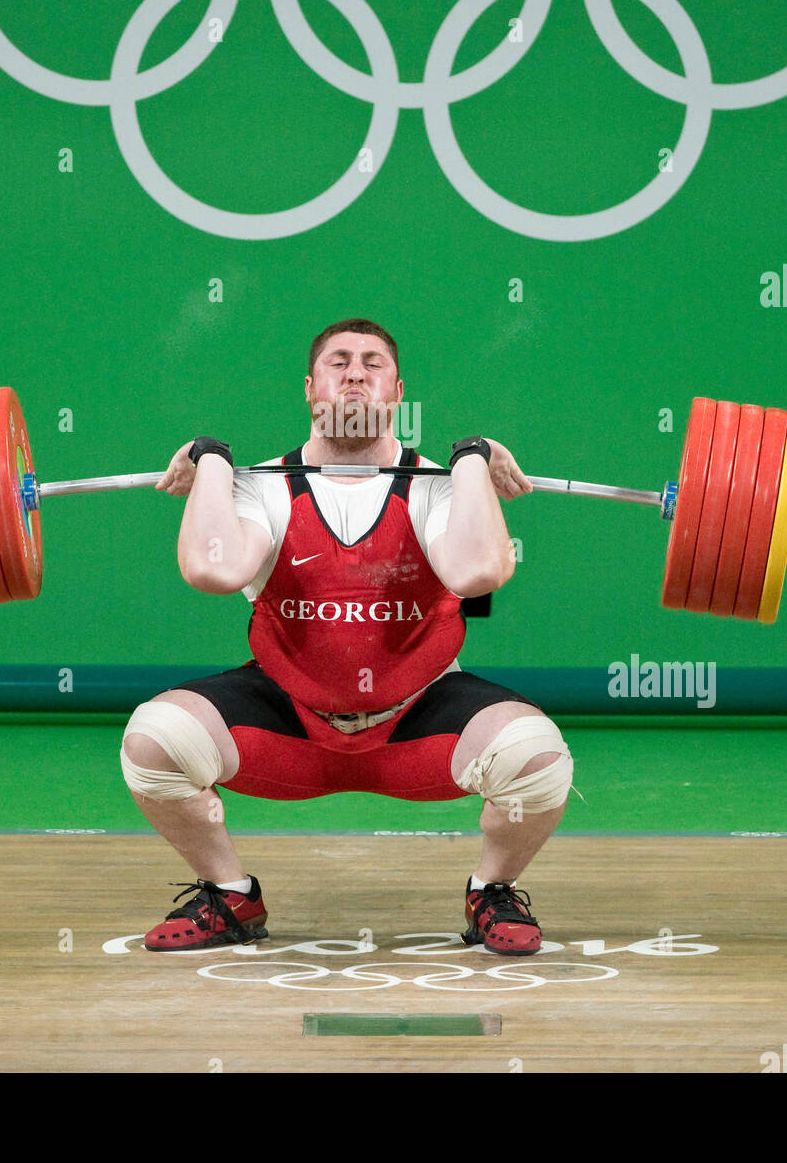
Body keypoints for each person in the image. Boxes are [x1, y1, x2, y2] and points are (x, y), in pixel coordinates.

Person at [120, 318, 573, 956]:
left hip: (418, 720)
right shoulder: (262, 486)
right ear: (311, 388)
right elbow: (212, 570)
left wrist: (470, 460)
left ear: (397, 390)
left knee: (537, 758)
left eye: (372, 363)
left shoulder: (439, 486)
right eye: (338, 362)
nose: (355, 372)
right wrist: (213, 460)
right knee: (154, 740)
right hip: (289, 723)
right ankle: (229, 895)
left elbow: (479, 571)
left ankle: (490, 892)